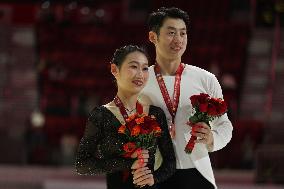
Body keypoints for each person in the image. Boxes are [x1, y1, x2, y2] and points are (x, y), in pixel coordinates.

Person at [140, 7, 233, 189]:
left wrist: (211, 138)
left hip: (197, 172)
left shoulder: (205, 79)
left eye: (183, 33)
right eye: (171, 33)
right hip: (153, 174)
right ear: (153, 37)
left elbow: (225, 124)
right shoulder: (138, 82)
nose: (179, 40)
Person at [75, 45, 176, 189]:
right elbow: (82, 164)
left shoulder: (155, 114)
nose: (140, 74)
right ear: (115, 70)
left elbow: (170, 162)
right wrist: (128, 163)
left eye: (145, 68)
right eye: (134, 66)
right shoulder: (101, 115)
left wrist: (154, 177)